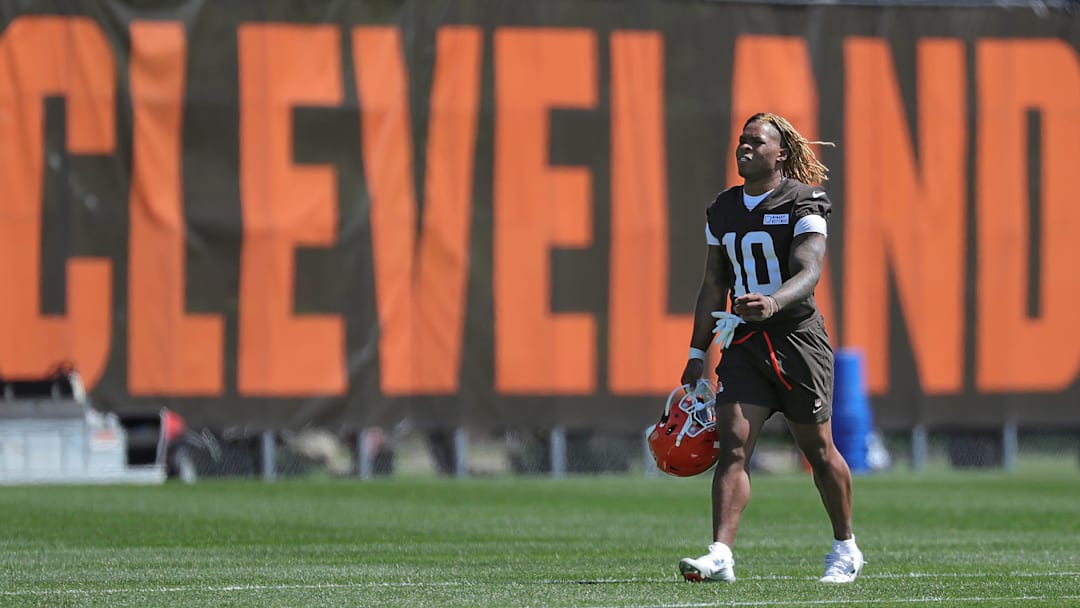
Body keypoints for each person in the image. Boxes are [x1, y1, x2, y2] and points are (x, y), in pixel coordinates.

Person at [676, 113, 864, 584]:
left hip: (797, 340)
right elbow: (713, 283)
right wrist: (697, 352)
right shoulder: (723, 208)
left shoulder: (804, 200)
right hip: (743, 339)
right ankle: (720, 553)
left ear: (780, 153)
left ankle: (846, 547)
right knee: (734, 446)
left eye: (755, 142)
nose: (744, 148)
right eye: (741, 141)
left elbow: (810, 268)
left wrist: (774, 300)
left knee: (818, 450)